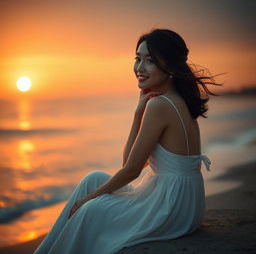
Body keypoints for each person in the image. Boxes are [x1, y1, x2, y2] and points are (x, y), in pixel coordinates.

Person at [34, 28, 218, 254]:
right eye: (137, 59)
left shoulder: (160, 105)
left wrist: (87, 201)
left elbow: (130, 170)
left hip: (171, 206)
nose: (139, 68)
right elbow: (129, 164)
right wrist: (137, 115)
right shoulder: (174, 99)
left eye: (149, 61)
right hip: (186, 201)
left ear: (169, 66)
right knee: (93, 179)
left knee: (89, 209)